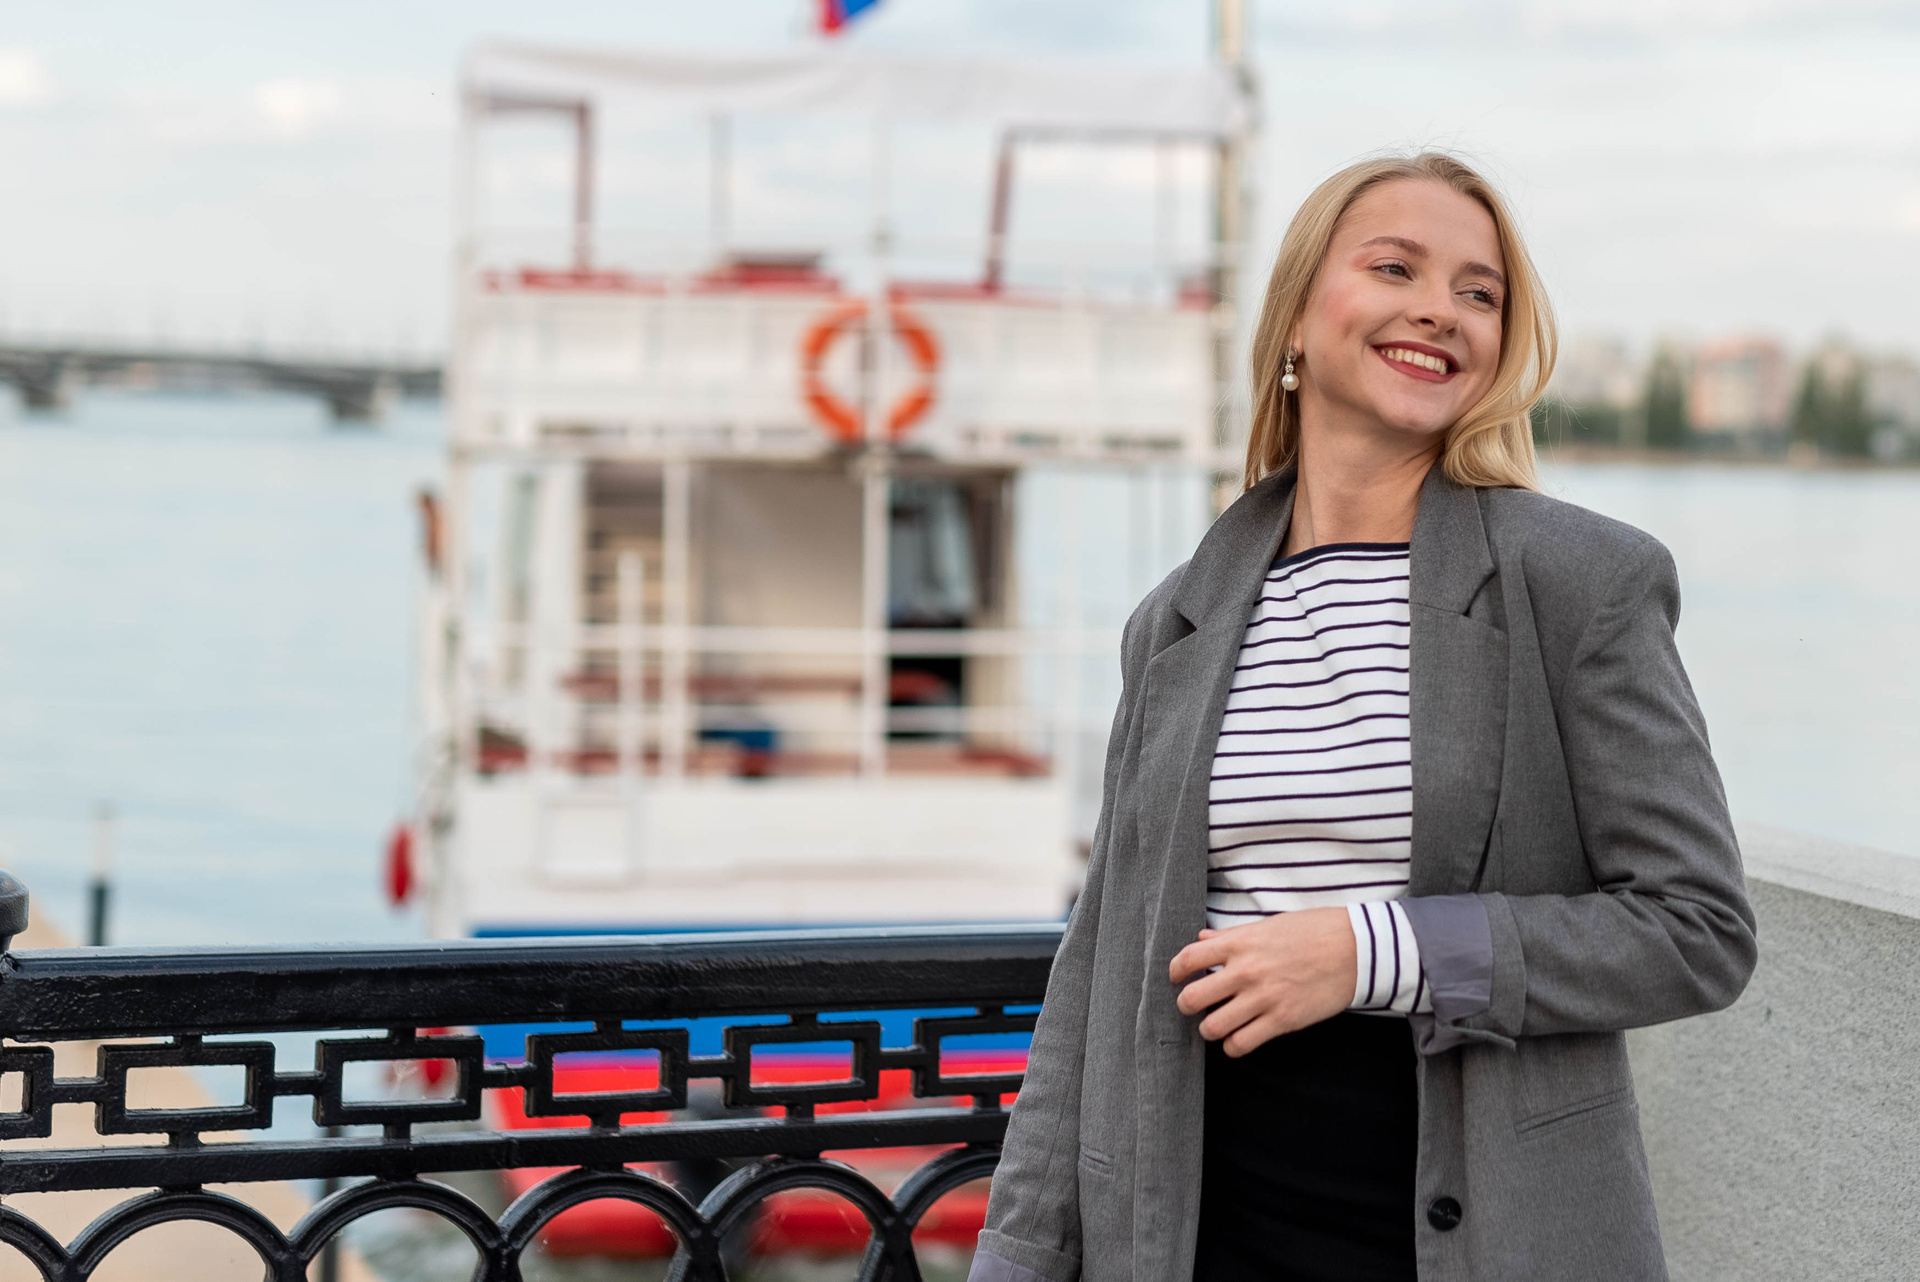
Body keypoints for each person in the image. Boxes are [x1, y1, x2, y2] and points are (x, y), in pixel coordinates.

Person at [966, 152, 1756, 1282]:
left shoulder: (1581, 581)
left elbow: (1697, 929)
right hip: (1197, 1231)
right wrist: (1018, 1255)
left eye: (1480, 292)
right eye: (1396, 268)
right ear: (1296, 318)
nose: (1440, 308)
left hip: (1478, 1235)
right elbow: (1096, 976)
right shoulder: (1176, 622)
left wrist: (1370, 952)